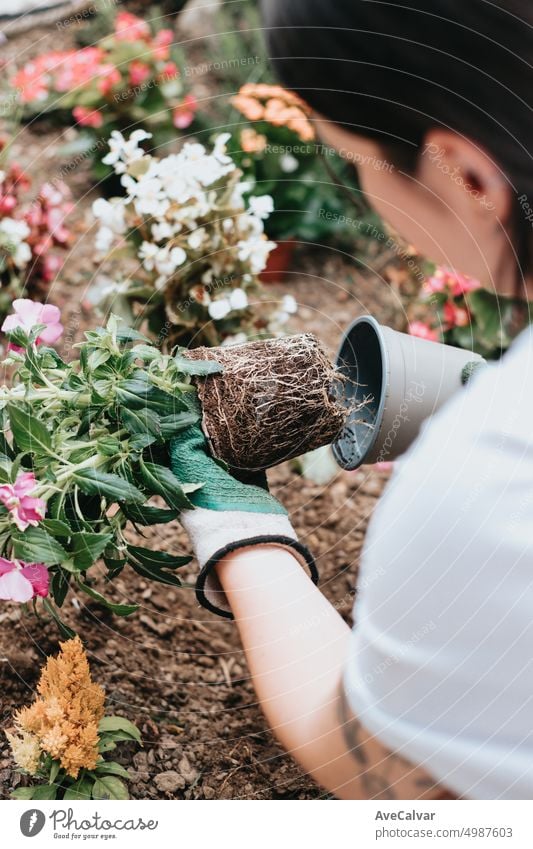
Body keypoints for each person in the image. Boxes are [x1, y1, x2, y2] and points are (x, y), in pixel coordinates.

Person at [171, 0, 533, 800]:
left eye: (358, 159)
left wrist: (238, 523)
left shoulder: (491, 478)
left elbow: (384, 771)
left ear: (464, 176)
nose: (365, 191)